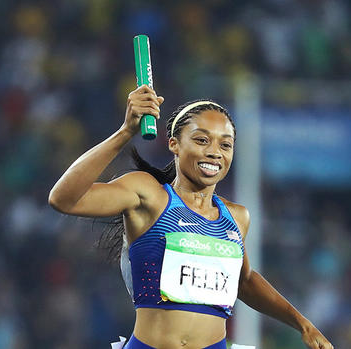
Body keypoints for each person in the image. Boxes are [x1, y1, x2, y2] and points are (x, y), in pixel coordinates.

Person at [48, 85, 334, 349]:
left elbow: (244, 281)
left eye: (225, 145)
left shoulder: (236, 217)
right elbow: (64, 199)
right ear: (174, 144)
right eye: (201, 140)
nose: (214, 152)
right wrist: (125, 132)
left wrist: (302, 324)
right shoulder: (149, 195)